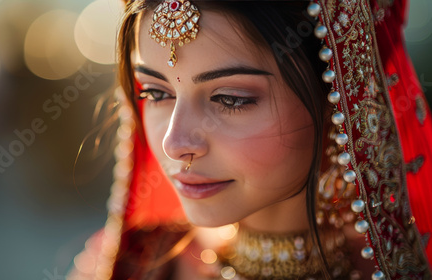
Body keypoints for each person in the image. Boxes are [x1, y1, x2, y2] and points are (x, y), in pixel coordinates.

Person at [68, 0, 432, 279]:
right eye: (155, 93)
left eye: (231, 99)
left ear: (338, 96)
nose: (174, 143)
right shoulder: (132, 264)